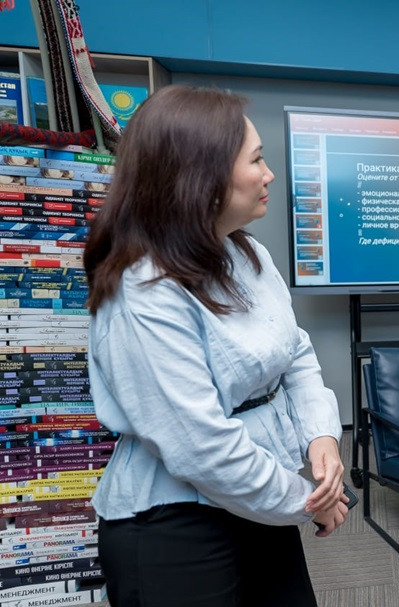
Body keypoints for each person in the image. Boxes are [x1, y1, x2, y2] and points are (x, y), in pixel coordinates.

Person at [85, 85, 349, 607]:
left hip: (258, 498)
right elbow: (200, 447)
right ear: (199, 177)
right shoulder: (144, 291)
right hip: (178, 526)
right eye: (256, 160)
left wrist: (321, 437)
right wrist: (307, 500)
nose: (269, 175)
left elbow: (295, 354)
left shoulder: (247, 255)